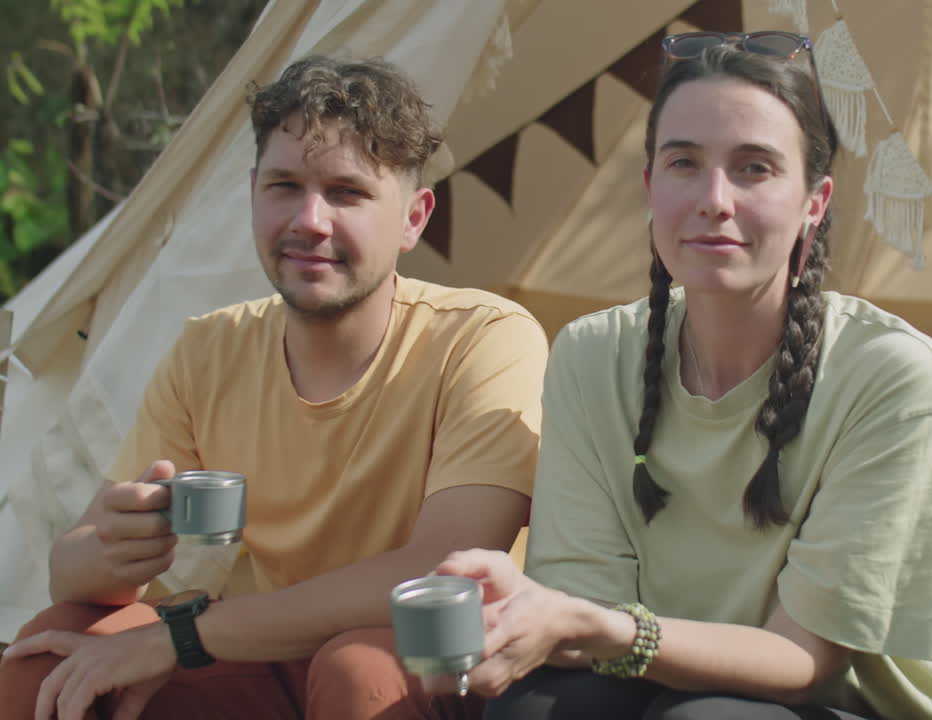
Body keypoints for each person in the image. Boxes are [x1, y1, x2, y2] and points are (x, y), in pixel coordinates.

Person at [429, 32, 932, 719]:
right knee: (536, 707)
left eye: (754, 168)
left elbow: (803, 662)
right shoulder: (590, 355)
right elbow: (586, 606)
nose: (714, 199)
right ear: (650, 186)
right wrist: (531, 610)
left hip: (852, 703)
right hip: (663, 679)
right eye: (683, 163)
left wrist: (608, 629)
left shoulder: (891, 375)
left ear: (814, 203)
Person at [0, 56, 547, 720]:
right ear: (253, 190)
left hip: (431, 658)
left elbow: (438, 571)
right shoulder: (210, 347)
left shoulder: (483, 337)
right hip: (268, 649)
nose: (309, 220)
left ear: (414, 217)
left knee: (358, 674)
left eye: (347, 192)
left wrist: (183, 636)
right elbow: (74, 574)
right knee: (47, 658)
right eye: (285, 186)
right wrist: (114, 548)